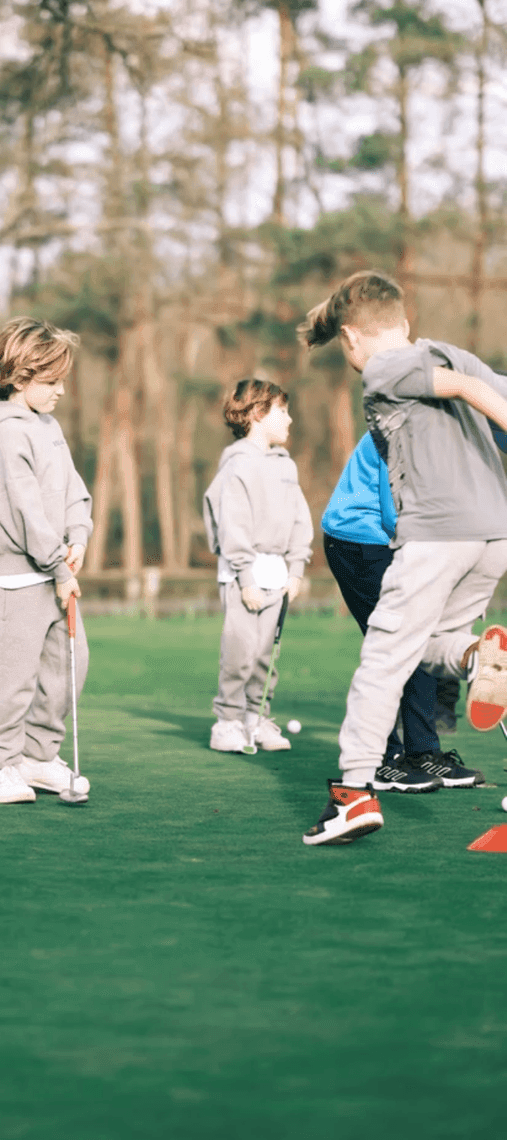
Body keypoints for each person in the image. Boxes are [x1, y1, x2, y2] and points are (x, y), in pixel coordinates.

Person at [299, 271, 507, 848]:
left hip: (440, 533)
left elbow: (470, 393)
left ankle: (354, 796)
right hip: (493, 535)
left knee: (383, 660)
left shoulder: (385, 366)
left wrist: (475, 396)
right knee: (436, 644)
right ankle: (478, 654)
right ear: (405, 324)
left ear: (352, 339)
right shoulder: (449, 351)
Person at [0, 317, 93, 804]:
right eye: (51, 381)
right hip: (17, 578)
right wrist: (59, 565)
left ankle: (38, 757)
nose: (61, 391)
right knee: (16, 679)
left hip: (52, 569)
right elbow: (25, 511)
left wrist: (78, 534)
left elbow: (73, 490)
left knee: (70, 662)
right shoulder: (4, 433)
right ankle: (0, 767)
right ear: (19, 379)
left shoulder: (48, 428)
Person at [322, 430, 482, 792]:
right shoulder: (401, 429)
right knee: (399, 640)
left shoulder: (444, 434)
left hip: (388, 540)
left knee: (419, 637)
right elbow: (399, 509)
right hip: (357, 539)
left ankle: (423, 752)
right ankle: (384, 760)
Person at [203, 379, 312, 753]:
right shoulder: (237, 464)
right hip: (241, 574)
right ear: (256, 414)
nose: (290, 419)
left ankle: (257, 717)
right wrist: (245, 577)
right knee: (240, 650)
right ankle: (228, 723)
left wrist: (296, 568)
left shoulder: (286, 465)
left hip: (277, 572)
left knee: (267, 652)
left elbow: (300, 519)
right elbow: (232, 523)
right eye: (282, 411)